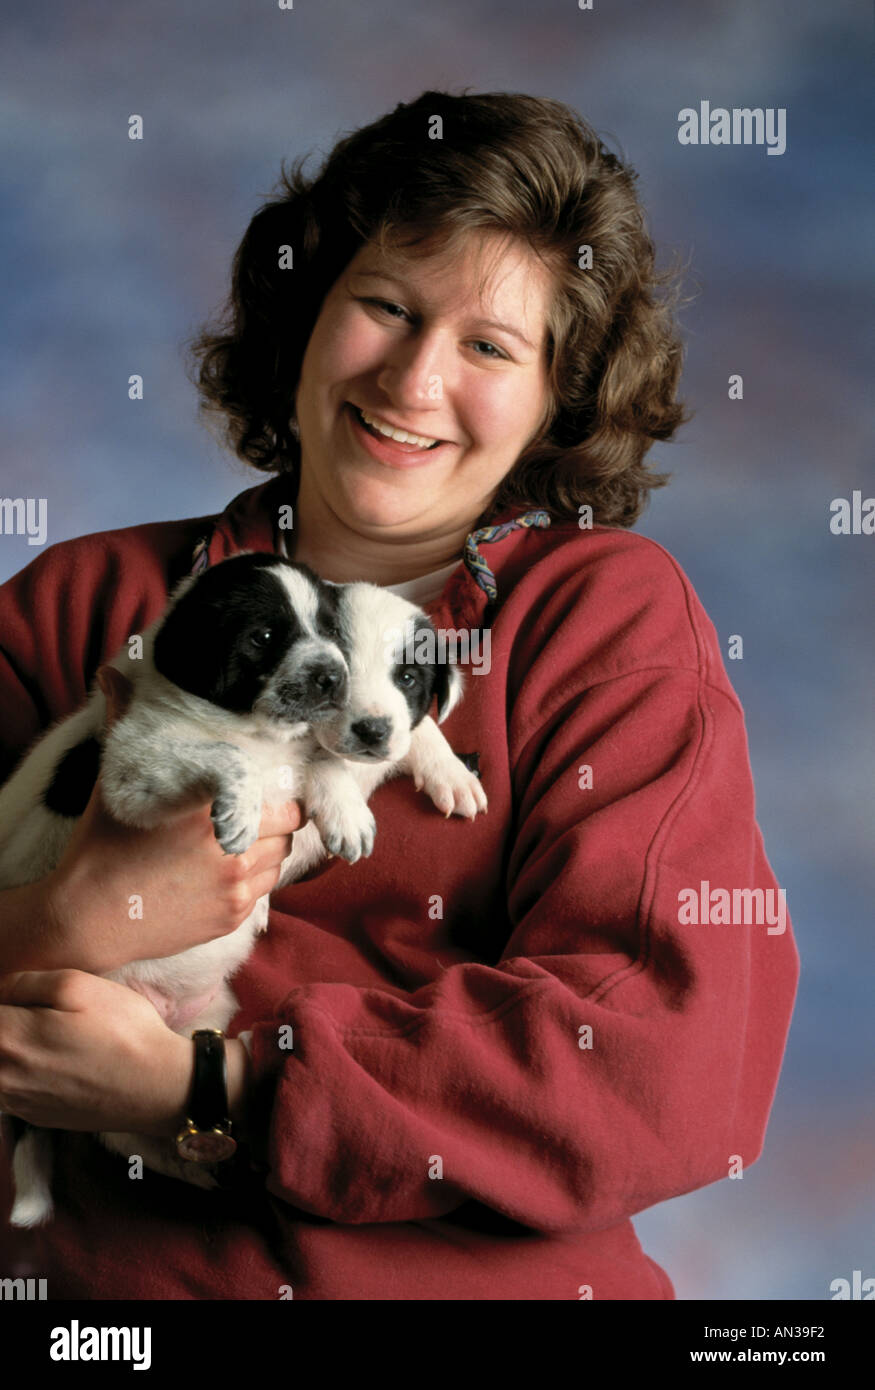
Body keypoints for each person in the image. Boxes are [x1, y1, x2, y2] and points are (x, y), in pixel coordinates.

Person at [0, 90, 798, 1300]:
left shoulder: (605, 621)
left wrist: (212, 1087)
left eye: (490, 346)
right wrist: (72, 917)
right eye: (384, 305)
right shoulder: (75, 602)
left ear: (554, 401)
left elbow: (660, 1064)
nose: (416, 379)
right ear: (307, 318)